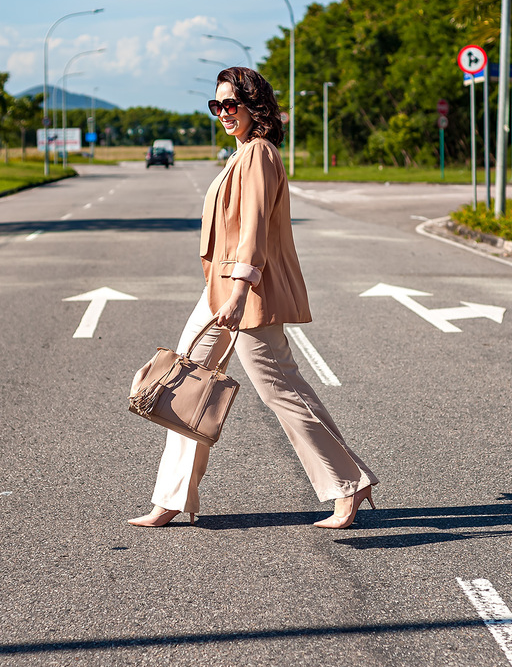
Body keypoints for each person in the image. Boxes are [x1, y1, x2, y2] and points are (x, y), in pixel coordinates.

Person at [128, 66, 378, 530]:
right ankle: (172, 498)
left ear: (254, 107)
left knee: (279, 388)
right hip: (219, 290)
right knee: (184, 385)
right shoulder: (240, 154)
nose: (223, 112)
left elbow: (254, 227)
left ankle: (348, 484)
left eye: (231, 104)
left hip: (245, 291)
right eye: (216, 105)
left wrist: (241, 290)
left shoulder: (259, 154)